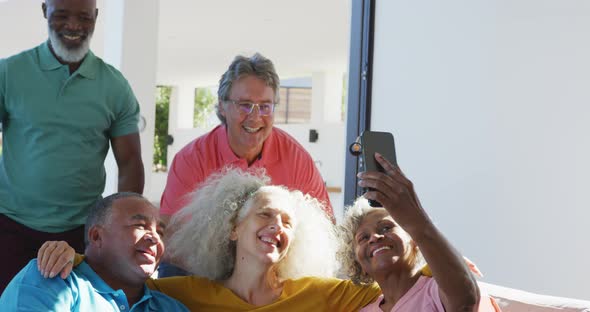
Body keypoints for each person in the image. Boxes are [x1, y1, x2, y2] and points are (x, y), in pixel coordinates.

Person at [40, 168, 381, 311]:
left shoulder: (319, 293)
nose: (277, 226)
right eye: (265, 214)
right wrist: (73, 255)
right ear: (233, 227)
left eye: (288, 222)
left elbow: (407, 290)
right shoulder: (186, 294)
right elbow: (115, 276)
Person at [0, 0, 144, 293]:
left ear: (96, 16)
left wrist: (117, 228)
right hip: (11, 226)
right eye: (62, 15)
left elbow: (130, 163)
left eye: (84, 17)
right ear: (44, 11)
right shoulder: (9, 74)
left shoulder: (114, 86)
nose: (74, 26)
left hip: (82, 232)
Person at [158, 52, 333, 277]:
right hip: (204, 274)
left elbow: (323, 233)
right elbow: (173, 240)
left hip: (273, 274)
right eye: (245, 105)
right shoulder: (191, 159)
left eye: (265, 106)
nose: (255, 116)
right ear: (222, 106)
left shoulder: (297, 159)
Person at [338, 153, 499, 311]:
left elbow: (466, 301)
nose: (374, 237)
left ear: (413, 238)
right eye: (363, 238)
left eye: (386, 227)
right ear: (357, 263)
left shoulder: (438, 291)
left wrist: (418, 220)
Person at [0, 193, 188, 311]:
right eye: (140, 225)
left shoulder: (171, 307)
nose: (154, 237)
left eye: (161, 232)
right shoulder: (50, 276)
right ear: (97, 236)